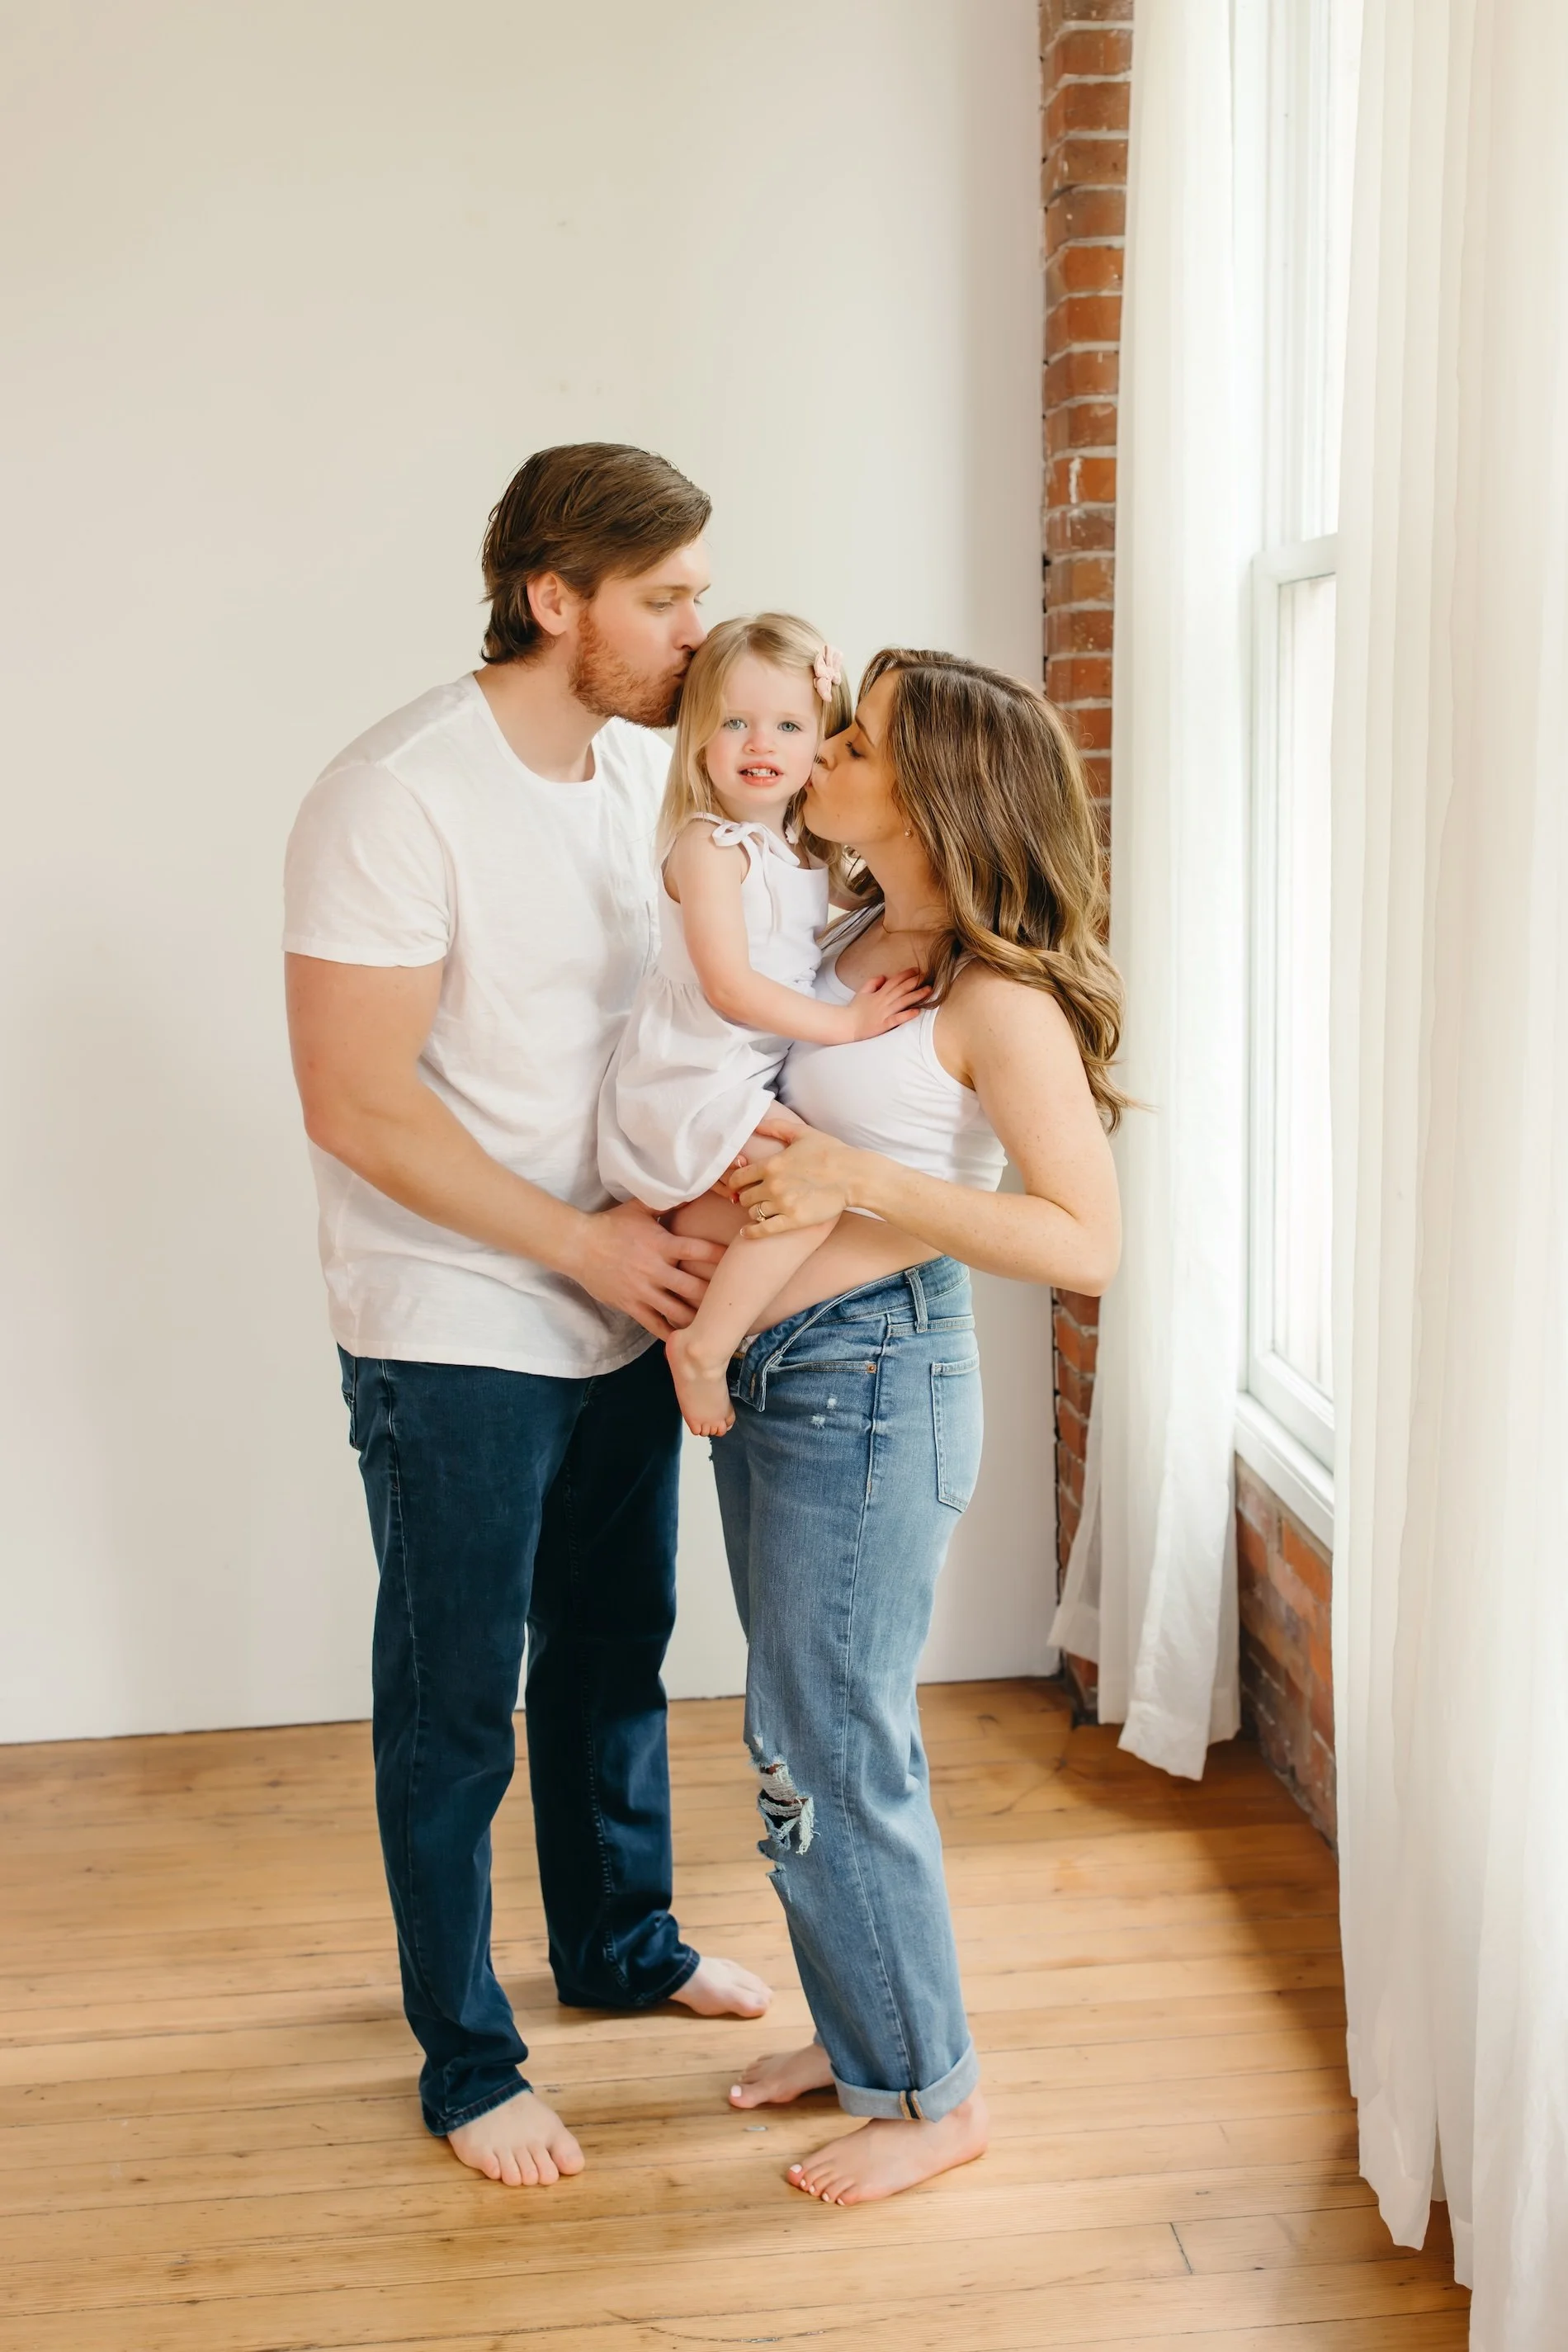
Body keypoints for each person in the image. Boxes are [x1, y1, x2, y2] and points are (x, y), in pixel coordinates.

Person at [281, 442, 772, 2193]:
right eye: (665, 597)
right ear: (553, 598)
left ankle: (618, 1947)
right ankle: (466, 2058)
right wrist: (578, 1246)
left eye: (702, 592)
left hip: (620, 1293)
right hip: (457, 1315)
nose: (693, 629)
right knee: (451, 1698)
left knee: (611, 1656)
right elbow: (354, 1102)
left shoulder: (648, 785)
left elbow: (678, 1034)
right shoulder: (394, 793)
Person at [671, 648, 1125, 2205]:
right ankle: (865, 2030)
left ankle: (934, 2095)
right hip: (793, 1372)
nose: (824, 756)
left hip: (875, 1382)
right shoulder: (859, 937)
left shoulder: (1002, 999)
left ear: (930, 797)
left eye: (855, 741)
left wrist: (854, 1179)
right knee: (796, 1735)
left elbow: (1083, 1241)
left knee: (834, 1746)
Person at [597, 612, 929, 1436]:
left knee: (815, 1183)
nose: (760, 743)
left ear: (821, 738)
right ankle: (706, 1350)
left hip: (735, 1078)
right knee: (814, 1195)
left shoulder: (799, 851)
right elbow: (731, 987)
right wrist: (846, 1024)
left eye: (788, 724)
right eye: (735, 722)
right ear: (699, 736)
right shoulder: (710, 848)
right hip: (692, 1078)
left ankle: (717, 1329)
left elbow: (854, 898)